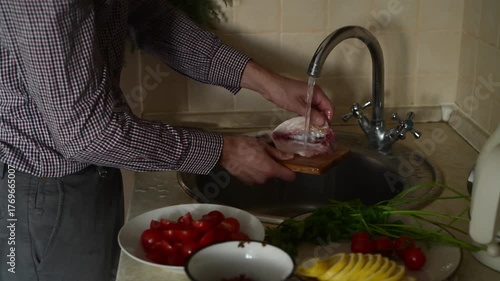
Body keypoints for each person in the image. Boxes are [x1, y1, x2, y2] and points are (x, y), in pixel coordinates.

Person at [0, 1, 333, 281]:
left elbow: (151, 18)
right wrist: (225, 150)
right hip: (38, 191)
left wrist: (268, 83)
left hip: (92, 172)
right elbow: (88, 133)